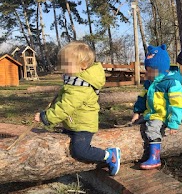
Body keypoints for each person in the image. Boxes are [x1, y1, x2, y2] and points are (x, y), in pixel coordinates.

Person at [34, 41, 121, 176]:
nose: (63, 67)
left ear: (83, 66)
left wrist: (45, 116)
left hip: (83, 126)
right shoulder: (74, 80)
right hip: (73, 123)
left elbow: (65, 107)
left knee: (80, 150)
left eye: (67, 64)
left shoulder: (81, 87)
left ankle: (109, 155)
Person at [131, 44, 182, 170]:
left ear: (161, 69)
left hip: (162, 115)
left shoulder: (171, 83)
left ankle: (155, 158)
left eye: (151, 70)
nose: (148, 73)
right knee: (137, 124)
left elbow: (177, 104)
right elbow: (142, 97)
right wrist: (137, 111)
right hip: (151, 113)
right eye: (147, 69)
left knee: (152, 128)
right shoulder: (150, 82)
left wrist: (173, 122)